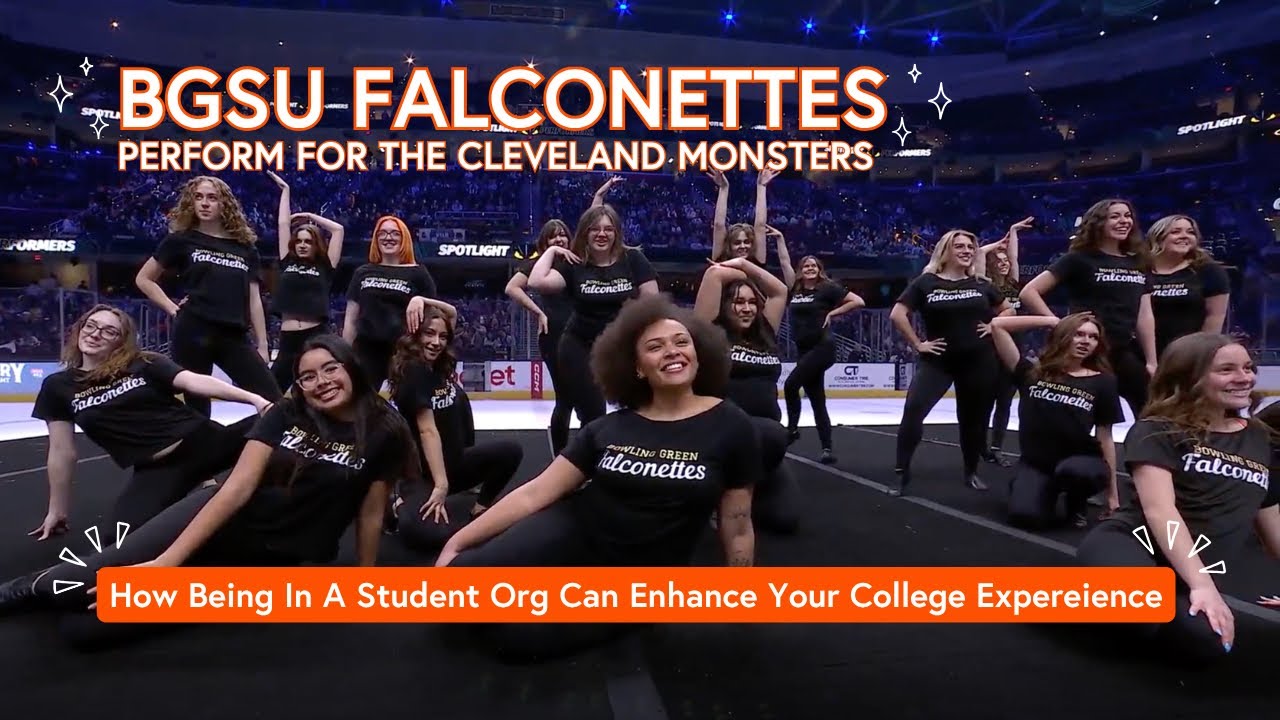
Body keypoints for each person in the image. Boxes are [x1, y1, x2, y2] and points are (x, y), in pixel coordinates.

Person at [0, 335, 417, 650]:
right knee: (85, 577)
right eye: (307, 376)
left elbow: (370, 509)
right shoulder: (286, 415)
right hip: (217, 517)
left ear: (350, 367)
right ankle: (18, 590)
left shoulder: (384, 431)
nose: (321, 382)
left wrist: (365, 581)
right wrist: (165, 564)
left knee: (87, 630)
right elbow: (235, 490)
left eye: (330, 369)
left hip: (271, 559)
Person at [435, 295, 759, 662]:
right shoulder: (608, 428)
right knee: (456, 587)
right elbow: (536, 493)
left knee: (517, 638)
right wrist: (457, 542)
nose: (672, 351)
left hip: (641, 572)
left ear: (699, 355)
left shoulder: (731, 426)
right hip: (576, 529)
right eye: (655, 347)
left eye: (681, 342)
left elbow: (737, 522)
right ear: (637, 367)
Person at [1076, 333, 1280, 663]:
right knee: (1144, 614)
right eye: (1226, 370)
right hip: (1132, 545)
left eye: (1248, 367)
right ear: (1190, 375)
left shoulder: (1258, 436)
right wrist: (1203, 586)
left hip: (1186, 569)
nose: (1245, 378)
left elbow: (1272, 521)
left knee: (1205, 645)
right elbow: (1161, 512)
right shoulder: (1158, 430)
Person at [30, 305, 272, 533]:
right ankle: (205, 499)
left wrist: (254, 399)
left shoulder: (142, 362)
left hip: (203, 441)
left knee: (283, 420)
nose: (95, 334)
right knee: (119, 537)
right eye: (90, 326)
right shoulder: (58, 386)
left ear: (121, 342)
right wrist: (57, 511)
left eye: (109, 331)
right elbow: (62, 452)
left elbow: (192, 381)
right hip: (158, 468)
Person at [134, 175, 282, 417]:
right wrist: (173, 309)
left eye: (212, 198)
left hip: (234, 334)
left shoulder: (245, 247)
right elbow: (144, 279)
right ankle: (207, 453)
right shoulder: (180, 240)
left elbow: (254, 299)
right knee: (198, 408)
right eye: (199, 197)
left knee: (272, 398)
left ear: (224, 204)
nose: (204, 203)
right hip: (192, 331)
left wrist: (263, 344)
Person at [388, 304, 523, 552]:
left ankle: (480, 508)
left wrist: (422, 298)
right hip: (424, 476)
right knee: (429, 536)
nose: (436, 342)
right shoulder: (413, 372)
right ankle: (397, 504)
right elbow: (428, 431)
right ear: (415, 333)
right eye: (428, 333)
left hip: (454, 465)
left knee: (511, 451)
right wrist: (441, 486)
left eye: (442, 336)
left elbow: (450, 314)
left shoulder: (437, 366)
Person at [890, 230, 1012, 496]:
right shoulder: (926, 282)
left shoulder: (982, 283)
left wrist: (994, 326)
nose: (967, 250)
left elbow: (1008, 309)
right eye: (960, 246)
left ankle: (971, 472)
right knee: (913, 411)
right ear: (945, 250)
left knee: (972, 421)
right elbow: (898, 313)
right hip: (937, 361)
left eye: (970, 246)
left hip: (979, 361)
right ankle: (902, 473)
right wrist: (918, 343)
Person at [1019, 198, 1157, 419]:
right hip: (1085, 350)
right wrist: (1059, 324)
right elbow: (1029, 292)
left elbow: (1145, 314)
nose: (1124, 221)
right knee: (1079, 416)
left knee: (1149, 410)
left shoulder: (1139, 262)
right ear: (1098, 222)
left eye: (1128, 216)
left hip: (1121, 348)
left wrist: (1151, 361)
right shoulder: (1078, 259)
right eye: (1115, 216)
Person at [694, 251, 801, 533]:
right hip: (723, 438)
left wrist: (743, 264)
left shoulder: (765, 330)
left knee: (785, 520)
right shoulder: (711, 333)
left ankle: (740, 493)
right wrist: (740, 269)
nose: (747, 308)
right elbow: (714, 275)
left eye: (752, 302)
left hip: (765, 448)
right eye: (738, 302)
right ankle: (722, 493)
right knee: (773, 432)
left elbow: (779, 289)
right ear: (724, 305)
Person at [526, 204, 660, 428]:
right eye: (594, 229)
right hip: (580, 345)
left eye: (608, 229)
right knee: (593, 414)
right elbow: (535, 282)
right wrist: (551, 251)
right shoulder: (575, 263)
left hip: (621, 346)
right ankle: (591, 459)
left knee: (640, 407)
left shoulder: (633, 259)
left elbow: (652, 304)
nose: (601, 234)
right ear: (584, 233)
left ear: (616, 233)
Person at [988, 313, 1123, 527]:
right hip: (1037, 462)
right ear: (1063, 335)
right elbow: (998, 325)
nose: (1086, 341)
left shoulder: (1103, 381)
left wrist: (1113, 496)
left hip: (1080, 461)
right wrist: (1051, 321)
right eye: (1078, 334)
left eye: (1093, 337)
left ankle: (1076, 503)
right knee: (1025, 517)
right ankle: (1034, 487)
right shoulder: (1032, 372)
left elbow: (1105, 436)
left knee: (1076, 472)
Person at [265, 170, 345, 390]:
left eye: (308, 241)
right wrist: (286, 191)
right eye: (299, 240)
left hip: (317, 334)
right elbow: (282, 225)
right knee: (272, 389)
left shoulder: (324, 266)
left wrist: (309, 216)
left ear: (315, 244)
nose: (302, 244)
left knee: (322, 388)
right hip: (288, 336)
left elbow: (338, 230)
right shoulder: (286, 261)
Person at [782, 255, 864, 464]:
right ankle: (827, 449)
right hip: (804, 349)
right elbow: (784, 262)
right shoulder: (796, 289)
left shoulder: (827, 288)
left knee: (791, 385)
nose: (810, 268)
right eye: (805, 265)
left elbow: (858, 301)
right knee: (818, 401)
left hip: (822, 347)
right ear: (800, 270)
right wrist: (781, 239)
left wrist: (833, 313)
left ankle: (792, 429)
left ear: (819, 269)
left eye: (813, 265)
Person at [342, 215, 438, 391]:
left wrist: (420, 300)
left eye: (395, 233)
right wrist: (344, 356)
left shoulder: (418, 273)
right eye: (383, 233)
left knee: (412, 404)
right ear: (376, 239)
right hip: (367, 349)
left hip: (404, 349)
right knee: (362, 405)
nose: (388, 237)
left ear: (404, 239)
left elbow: (436, 313)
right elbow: (350, 319)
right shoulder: (363, 272)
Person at [505, 219, 576, 455]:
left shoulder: (575, 261)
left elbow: (592, 224)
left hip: (580, 335)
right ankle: (561, 457)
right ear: (545, 242)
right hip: (553, 334)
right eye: (553, 237)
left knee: (584, 398)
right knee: (565, 399)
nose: (559, 239)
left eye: (562, 235)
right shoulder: (537, 266)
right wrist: (538, 312)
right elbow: (512, 288)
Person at [979, 217, 1031, 465]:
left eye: (1005, 261)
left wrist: (1012, 232)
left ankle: (997, 447)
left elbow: (1015, 258)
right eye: (998, 261)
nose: (1004, 263)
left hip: (1015, 348)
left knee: (1005, 403)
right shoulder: (985, 286)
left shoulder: (1012, 282)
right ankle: (981, 447)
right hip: (992, 349)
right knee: (987, 402)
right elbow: (979, 254)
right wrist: (996, 244)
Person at [1145, 214, 1231, 359]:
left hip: (1188, 353)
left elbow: (1215, 317)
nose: (1185, 236)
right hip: (1143, 352)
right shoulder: (1141, 269)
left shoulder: (1209, 271)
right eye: (1176, 232)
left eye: (1190, 232)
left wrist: (1202, 354)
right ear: (1158, 237)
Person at [708, 169, 794, 284]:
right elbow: (719, 225)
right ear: (729, 245)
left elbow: (760, 225)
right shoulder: (721, 259)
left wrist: (761, 187)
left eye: (747, 242)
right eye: (737, 243)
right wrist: (723, 189)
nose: (743, 246)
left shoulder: (757, 261)